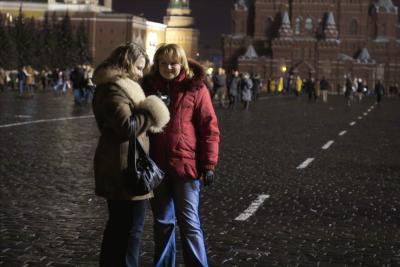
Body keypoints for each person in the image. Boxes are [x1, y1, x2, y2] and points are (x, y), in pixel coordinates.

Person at [92, 42, 170, 267]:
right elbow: (126, 126)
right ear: (126, 63)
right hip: (125, 168)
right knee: (129, 231)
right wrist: (151, 111)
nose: (139, 74)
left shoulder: (115, 86)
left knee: (119, 227)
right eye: (138, 67)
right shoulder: (114, 89)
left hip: (122, 162)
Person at [143, 43, 220, 267]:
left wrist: (209, 164)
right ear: (157, 64)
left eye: (173, 63)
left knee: (189, 223)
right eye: (164, 63)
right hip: (157, 167)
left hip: (186, 166)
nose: (169, 67)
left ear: (182, 64)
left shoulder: (195, 89)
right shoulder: (149, 89)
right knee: (163, 223)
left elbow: (209, 128)